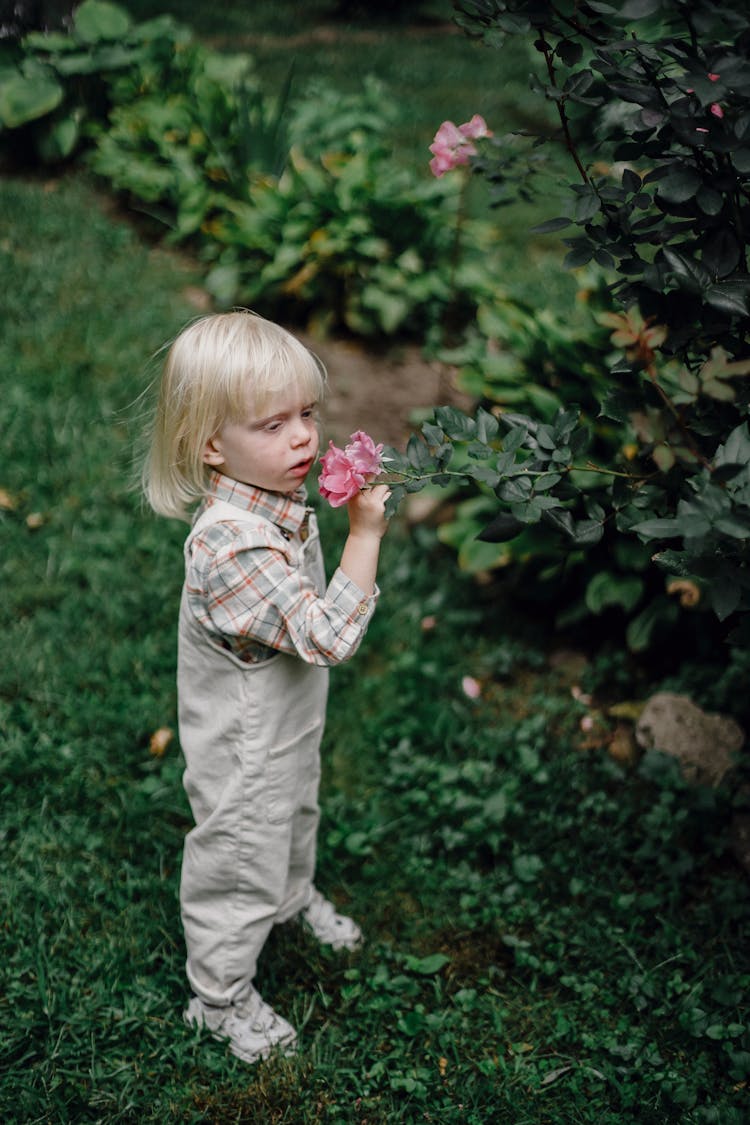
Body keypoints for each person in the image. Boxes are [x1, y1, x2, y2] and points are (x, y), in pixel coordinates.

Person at [143, 309, 389, 1064]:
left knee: (295, 808)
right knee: (240, 851)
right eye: (273, 423)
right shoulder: (230, 544)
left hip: (284, 722)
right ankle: (218, 996)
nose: (303, 438)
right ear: (211, 444)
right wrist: (367, 534)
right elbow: (325, 636)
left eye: (308, 414)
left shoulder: (270, 500)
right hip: (242, 743)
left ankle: (289, 897)